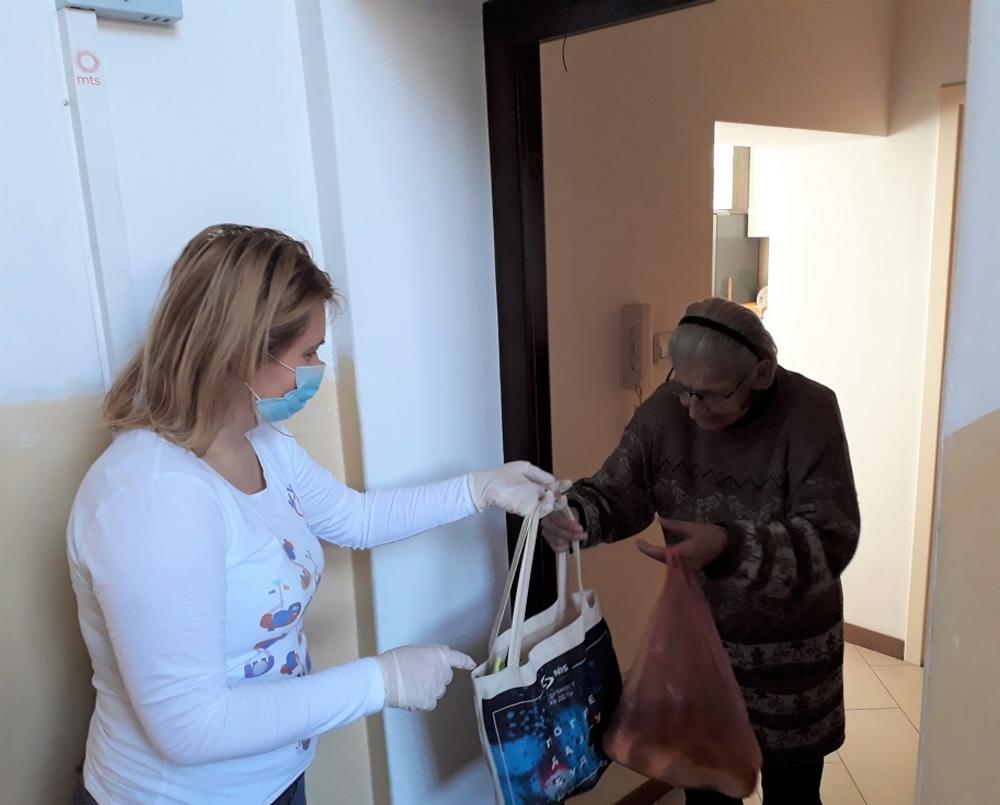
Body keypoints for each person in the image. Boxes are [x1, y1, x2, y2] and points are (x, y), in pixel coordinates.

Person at [67, 224, 564, 805]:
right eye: (307, 353)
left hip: (276, 778)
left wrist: (480, 489)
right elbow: (190, 727)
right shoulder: (153, 499)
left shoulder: (260, 441)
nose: (316, 369)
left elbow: (356, 519)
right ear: (241, 353)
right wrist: (380, 680)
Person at [542, 297, 860, 805]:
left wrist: (729, 546)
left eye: (710, 395)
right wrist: (576, 515)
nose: (691, 409)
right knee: (707, 793)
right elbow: (618, 492)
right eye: (683, 388)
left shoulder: (809, 411)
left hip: (792, 661)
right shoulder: (667, 410)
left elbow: (831, 538)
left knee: (794, 795)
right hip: (701, 645)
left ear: (761, 374)